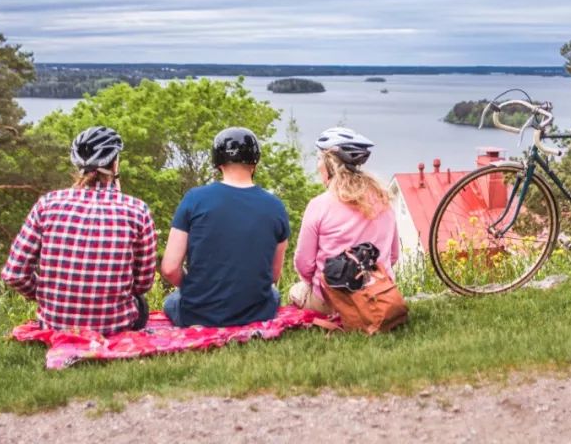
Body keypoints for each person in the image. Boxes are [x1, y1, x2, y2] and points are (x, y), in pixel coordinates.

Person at [1, 125, 157, 334]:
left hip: (55, 324)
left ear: (77, 164)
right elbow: (143, 283)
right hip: (114, 326)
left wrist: (45, 293)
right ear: (115, 163)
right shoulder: (137, 210)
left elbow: (14, 274)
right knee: (141, 305)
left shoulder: (48, 204)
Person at [160, 127, 290, 327]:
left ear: (218, 162)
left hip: (199, 313)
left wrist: (195, 289)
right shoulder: (276, 206)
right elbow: (273, 275)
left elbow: (169, 269)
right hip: (257, 312)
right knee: (272, 293)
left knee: (171, 301)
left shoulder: (194, 199)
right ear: (255, 162)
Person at [289, 127, 400, 313]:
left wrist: (317, 283)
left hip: (334, 299)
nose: (317, 166)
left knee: (296, 291)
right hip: (379, 298)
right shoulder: (384, 199)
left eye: (319, 159)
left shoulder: (319, 205)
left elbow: (303, 264)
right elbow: (393, 255)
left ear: (330, 165)